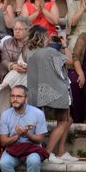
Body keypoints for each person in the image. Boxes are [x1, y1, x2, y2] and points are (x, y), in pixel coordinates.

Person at [24, 26, 73, 157]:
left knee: (68, 120)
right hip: (57, 92)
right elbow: (70, 61)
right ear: (42, 37)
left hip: (39, 92)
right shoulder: (50, 52)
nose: (48, 38)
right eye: (46, 36)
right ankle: (48, 153)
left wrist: (46, 45)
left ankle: (61, 152)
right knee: (64, 122)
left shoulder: (31, 53)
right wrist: (65, 46)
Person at [0, 83, 48, 172]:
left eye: (18, 96)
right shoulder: (5, 115)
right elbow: (3, 141)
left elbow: (40, 139)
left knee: (34, 161)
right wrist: (18, 136)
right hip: (13, 149)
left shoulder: (38, 114)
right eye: (13, 96)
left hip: (32, 148)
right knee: (4, 163)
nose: (15, 99)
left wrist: (27, 135)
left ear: (26, 99)